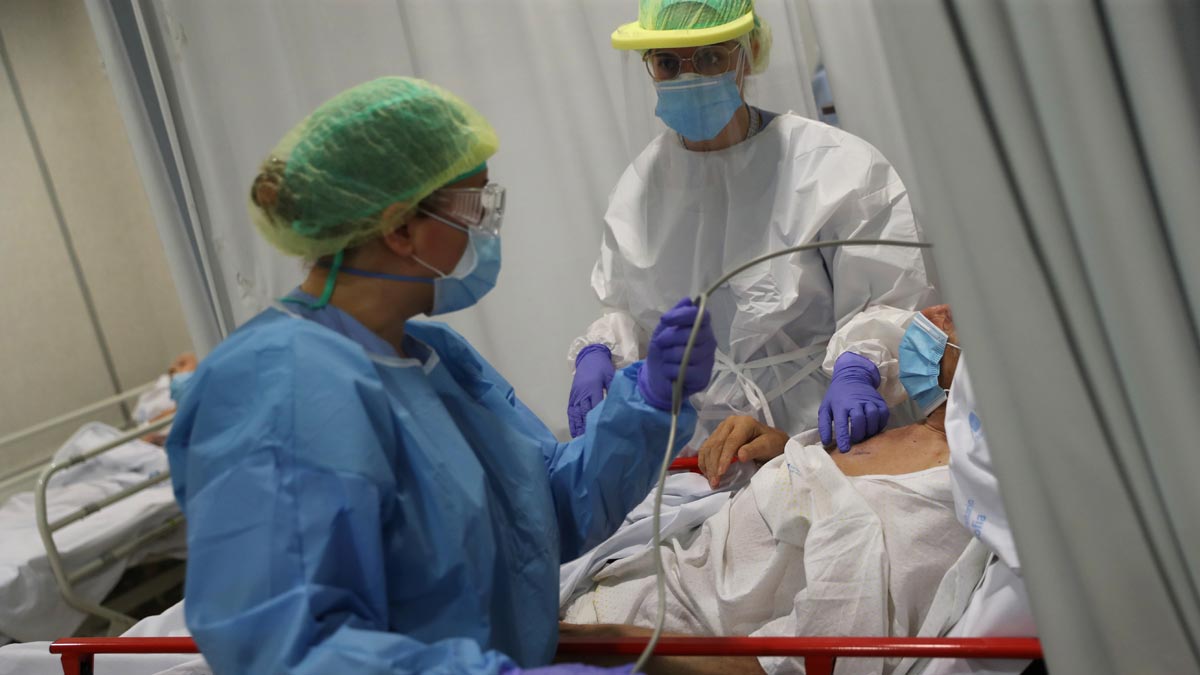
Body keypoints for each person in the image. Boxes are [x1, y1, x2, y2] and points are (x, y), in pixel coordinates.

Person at [165, 77, 718, 675]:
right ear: (401, 228)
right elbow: (290, 648)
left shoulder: (432, 357)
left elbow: (540, 514)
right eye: (475, 206)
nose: (487, 226)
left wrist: (651, 400)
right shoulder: (274, 385)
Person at [566, 0, 935, 455]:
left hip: (830, 432)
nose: (688, 77)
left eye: (709, 57)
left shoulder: (833, 165)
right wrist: (599, 351)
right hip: (705, 451)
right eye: (667, 63)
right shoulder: (640, 187)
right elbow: (631, 309)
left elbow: (892, 296)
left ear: (749, 52)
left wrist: (859, 367)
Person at [559, 306, 977, 675]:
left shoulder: (933, 507)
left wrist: (607, 646)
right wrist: (777, 453)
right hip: (615, 582)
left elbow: (794, 664)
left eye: (962, 317)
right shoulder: (896, 433)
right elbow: (800, 506)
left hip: (613, 642)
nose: (936, 313)